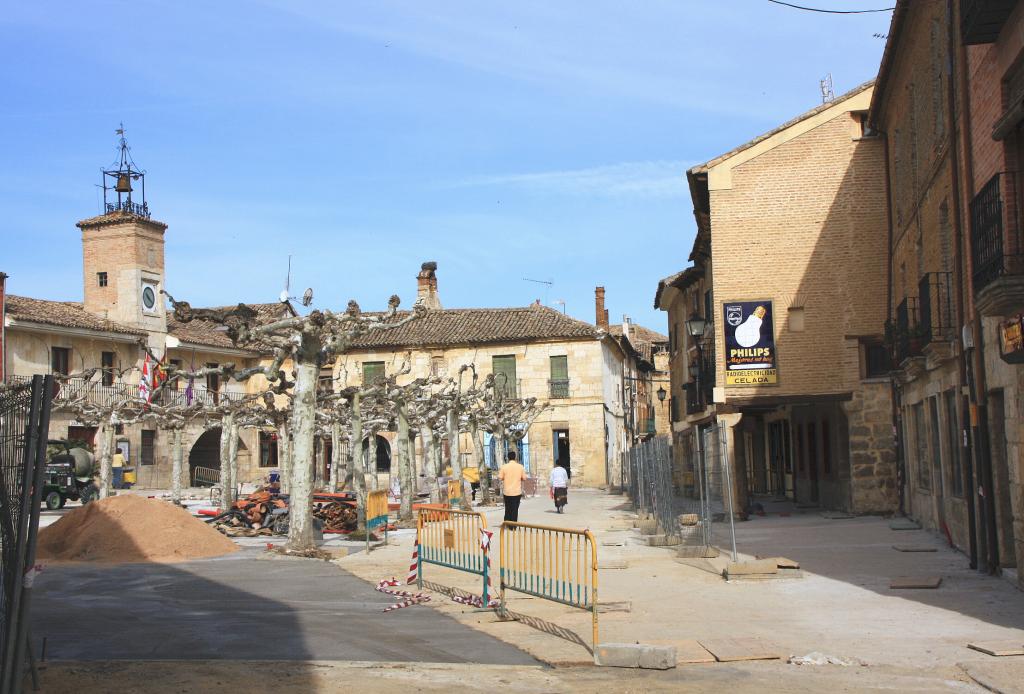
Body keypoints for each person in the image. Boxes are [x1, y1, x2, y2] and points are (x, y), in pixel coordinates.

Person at [498, 450, 527, 523]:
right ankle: (513, 525)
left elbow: (500, 477)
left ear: (508, 458)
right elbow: (524, 478)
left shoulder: (504, 467)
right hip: (516, 492)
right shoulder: (520, 467)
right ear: (515, 457)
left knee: (507, 508)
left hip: (507, 492)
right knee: (515, 509)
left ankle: (506, 523)